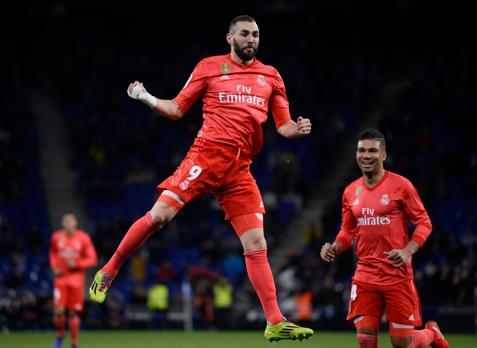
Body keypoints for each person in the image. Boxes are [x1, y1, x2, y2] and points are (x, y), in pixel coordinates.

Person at [89, 14, 314, 341]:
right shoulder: (209, 67)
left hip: (239, 170)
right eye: (245, 34)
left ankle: (275, 321)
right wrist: (147, 97)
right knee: (159, 215)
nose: (251, 39)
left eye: (256, 34)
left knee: (257, 243)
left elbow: (283, 125)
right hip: (206, 156)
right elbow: (177, 109)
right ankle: (109, 270)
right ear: (229, 38)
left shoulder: (271, 76)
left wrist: (298, 129)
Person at [320, 128, 449, 348]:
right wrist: (335, 247)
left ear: (383, 155)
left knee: (403, 344)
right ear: (356, 154)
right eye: (361, 151)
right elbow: (348, 230)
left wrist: (407, 250)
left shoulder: (401, 186)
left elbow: (424, 222)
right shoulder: (350, 192)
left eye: (372, 151)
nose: (366, 155)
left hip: (396, 275)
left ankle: (431, 334)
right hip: (365, 275)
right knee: (365, 340)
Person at [50, 213, 97, 348]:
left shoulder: (83, 238)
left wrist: (77, 264)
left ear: (75, 223)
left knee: (72, 313)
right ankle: (60, 335)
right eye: (66, 221)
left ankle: (74, 342)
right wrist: (54, 267)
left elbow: (92, 259)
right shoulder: (56, 237)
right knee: (58, 311)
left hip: (76, 280)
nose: (69, 224)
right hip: (61, 279)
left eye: (71, 221)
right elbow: (53, 253)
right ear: (63, 224)